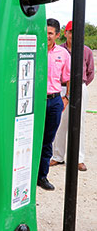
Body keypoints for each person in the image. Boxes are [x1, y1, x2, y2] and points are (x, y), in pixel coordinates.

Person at [50, 20, 95, 171]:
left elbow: (90, 73)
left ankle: (78, 158)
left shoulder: (86, 51)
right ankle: (58, 156)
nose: (73, 34)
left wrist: (80, 86)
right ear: (65, 33)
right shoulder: (58, 50)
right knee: (60, 122)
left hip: (80, 87)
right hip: (61, 88)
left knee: (79, 123)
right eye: (70, 31)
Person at [37, 18, 70, 191]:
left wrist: (66, 98)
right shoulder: (34, 50)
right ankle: (26, 175)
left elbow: (69, 78)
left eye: (50, 33)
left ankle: (42, 177)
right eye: (45, 32)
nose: (47, 36)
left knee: (48, 139)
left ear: (57, 35)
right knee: (31, 137)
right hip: (36, 101)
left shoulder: (63, 54)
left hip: (55, 101)